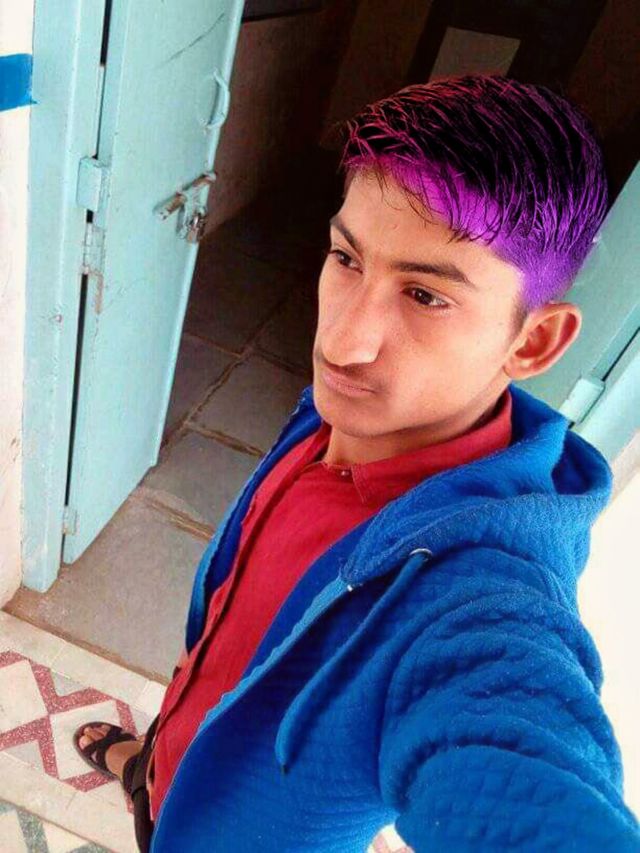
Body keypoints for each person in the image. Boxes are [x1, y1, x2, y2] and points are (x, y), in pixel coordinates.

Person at [73, 74, 640, 851]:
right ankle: (145, 766)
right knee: (170, 755)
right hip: (195, 743)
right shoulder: (338, 410)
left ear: (533, 341)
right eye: (346, 257)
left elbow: (519, 757)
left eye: (425, 296)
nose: (340, 342)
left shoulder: (480, 600)